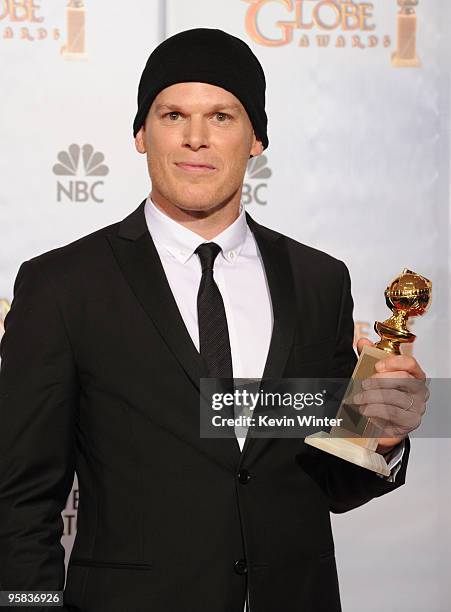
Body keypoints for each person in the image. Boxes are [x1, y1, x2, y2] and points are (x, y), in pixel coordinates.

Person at [0, 28, 428, 612]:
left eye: (222, 116)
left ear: (256, 138)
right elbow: (20, 502)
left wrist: (385, 437)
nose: (196, 138)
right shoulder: (63, 286)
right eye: (173, 113)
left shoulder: (319, 281)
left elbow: (330, 480)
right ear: (139, 134)